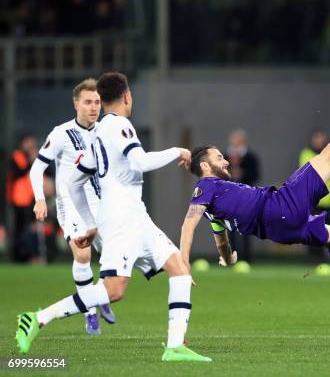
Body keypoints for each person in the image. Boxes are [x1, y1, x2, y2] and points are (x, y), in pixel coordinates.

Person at [15, 72, 210, 362]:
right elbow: (139, 162)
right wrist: (177, 151)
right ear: (127, 96)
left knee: (179, 269)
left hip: (133, 215)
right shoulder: (119, 126)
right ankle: (38, 318)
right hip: (121, 219)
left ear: (102, 100)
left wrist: (91, 225)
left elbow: (72, 182)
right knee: (113, 290)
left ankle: (174, 346)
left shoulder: (96, 134)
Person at [179, 67, 330, 305]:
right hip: (278, 207)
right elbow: (188, 224)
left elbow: (222, 242)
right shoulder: (206, 187)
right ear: (204, 166)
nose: (225, 160)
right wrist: (183, 263)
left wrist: (228, 259)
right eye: (218, 157)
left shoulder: (214, 210)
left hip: (280, 231)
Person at [29, 78, 114, 334]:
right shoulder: (60, 133)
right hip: (71, 205)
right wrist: (40, 198)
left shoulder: (106, 131)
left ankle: (98, 297)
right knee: (83, 254)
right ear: (76, 103)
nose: (94, 107)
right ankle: (89, 312)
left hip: (102, 204)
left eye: (97, 102)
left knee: (113, 258)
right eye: (88, 101)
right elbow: (37, 168)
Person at [299, 130, 330, 261]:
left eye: (321, 138)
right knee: (312, 229)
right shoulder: (306, 153)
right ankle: (314, 259)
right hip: (312, 200)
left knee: (329, 231)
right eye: (317, 138)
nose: (319, 141)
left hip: (329, 200)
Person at [226, 129, 260, 262]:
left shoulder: (251, 157)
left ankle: (246, 259)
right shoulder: (224, 157)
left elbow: (256, 176)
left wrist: (242, 175)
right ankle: (231, 257)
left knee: (246, 228)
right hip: (229, 198)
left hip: (246, 198)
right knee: (230, 228)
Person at [7, 134, 37, 262]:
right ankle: (17, 256)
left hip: (29, 199)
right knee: (19, 229)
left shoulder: (30, 157)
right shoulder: (17, 156)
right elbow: (18, 173)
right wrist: (31, 161)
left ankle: (26, 255)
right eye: (28, 143)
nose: (30, 146)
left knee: (27, 228)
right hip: (18, 199)